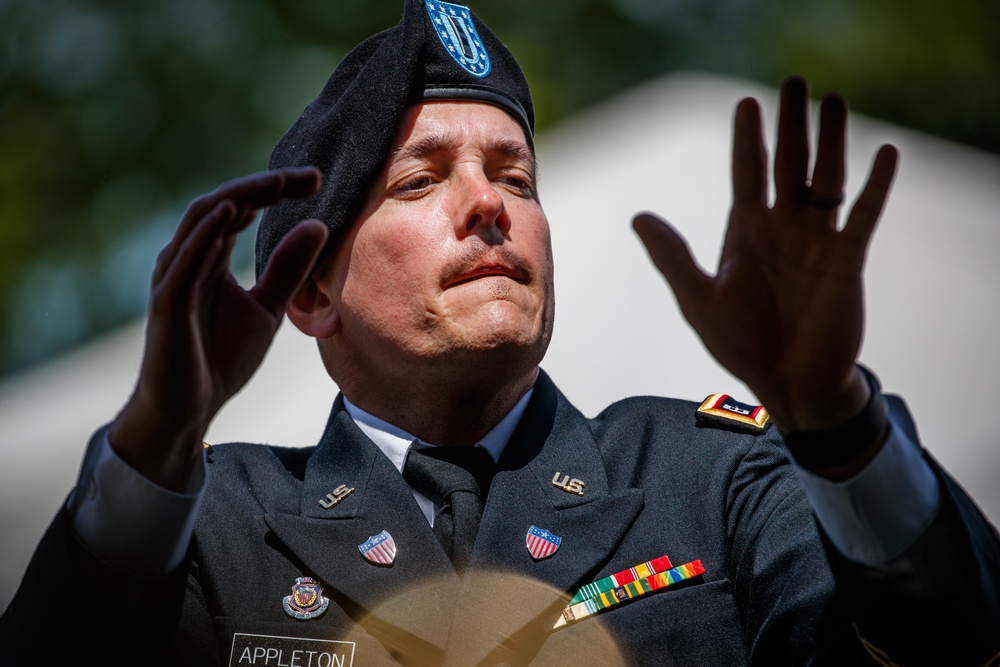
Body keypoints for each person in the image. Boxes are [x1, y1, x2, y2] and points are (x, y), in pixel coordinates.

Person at [2, 1, 998, 664]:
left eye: (516, 175)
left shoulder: (715, 474)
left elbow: (951, 644)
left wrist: (833, 420)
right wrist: (156, 439)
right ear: (310, 294)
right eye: (420, 180)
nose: (491, 206)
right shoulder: (217, 522)